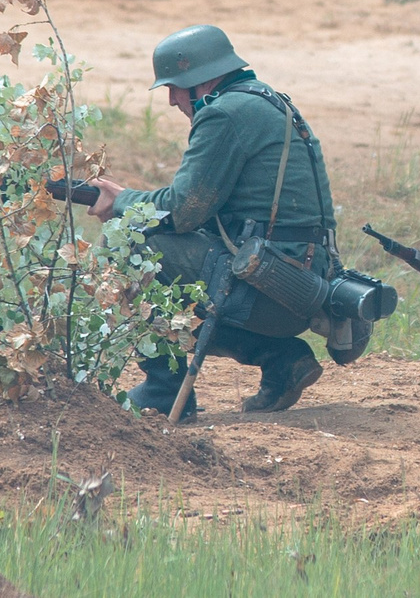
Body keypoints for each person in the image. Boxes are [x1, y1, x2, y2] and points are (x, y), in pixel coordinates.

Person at [88, 24, 335, 417]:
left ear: (199, 81)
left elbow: (184, 211)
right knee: (161, 253)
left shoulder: (223, 114)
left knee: (128, 244)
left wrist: (121, 203)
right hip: (299, 284)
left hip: (271, 288)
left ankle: (163, 389)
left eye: (174, 88)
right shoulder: (263, 99)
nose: (171, 101)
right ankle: (282, 357)